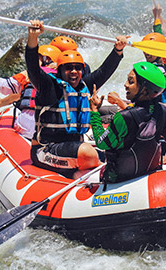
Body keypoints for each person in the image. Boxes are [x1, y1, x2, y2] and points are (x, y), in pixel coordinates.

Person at [25, 19, 129, 177]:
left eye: (78, 68)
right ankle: (96, 171)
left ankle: (85, 172)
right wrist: (33, 39)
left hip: (74, 146)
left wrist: (118, 51)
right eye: (68, 68)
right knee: (88, 153)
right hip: (46, 149)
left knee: (116, 154)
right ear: (60, 70)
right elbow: (32, 68)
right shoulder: (49, 87)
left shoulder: (83, 86)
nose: (74, 71)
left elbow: (104, 71)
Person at [89, 62, 166, 183]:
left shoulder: (123, 117)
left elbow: (101, 143)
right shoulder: (162, 110)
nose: (125, 85)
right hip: (149, 172)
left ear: (144, 89)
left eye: (131, 82)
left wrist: (94, 111)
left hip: (121, 179)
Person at [0, 44, 61, 139]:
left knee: (22, 88)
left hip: (25, 125)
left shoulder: (28, 74)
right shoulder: (65, 79)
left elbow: (5, 85)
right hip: (51, 129)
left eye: (37, 57)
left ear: (46, 59)